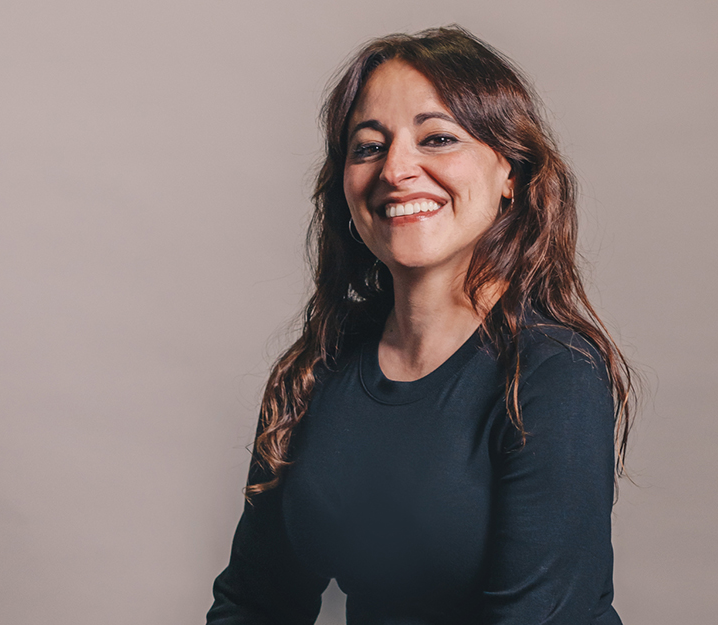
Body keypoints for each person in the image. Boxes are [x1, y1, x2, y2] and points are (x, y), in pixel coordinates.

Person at [206, 26, 635, 625]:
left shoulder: (553, 374)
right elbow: (254, 605)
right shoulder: (313, 374)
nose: (396, 169)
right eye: (368, 147)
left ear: (510, 172)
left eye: (437, 138)